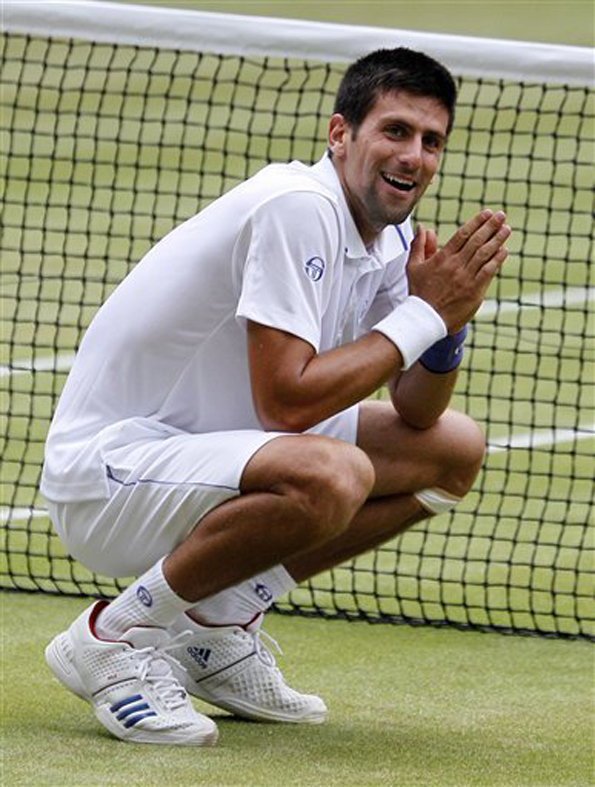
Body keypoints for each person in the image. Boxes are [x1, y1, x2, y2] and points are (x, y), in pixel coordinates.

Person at [41, 47, 510, 746]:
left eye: (431, 140)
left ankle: (216, 624)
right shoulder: (298, 208)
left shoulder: (392, 238)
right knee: (332, 472)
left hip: (208, 464)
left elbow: (418, 412)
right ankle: (112, 635)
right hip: (110, 480)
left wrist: (446, 325)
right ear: (340, 134)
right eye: (395, 131)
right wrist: (422, 314)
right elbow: (286, 405)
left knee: (452, 451)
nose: (413, 156)